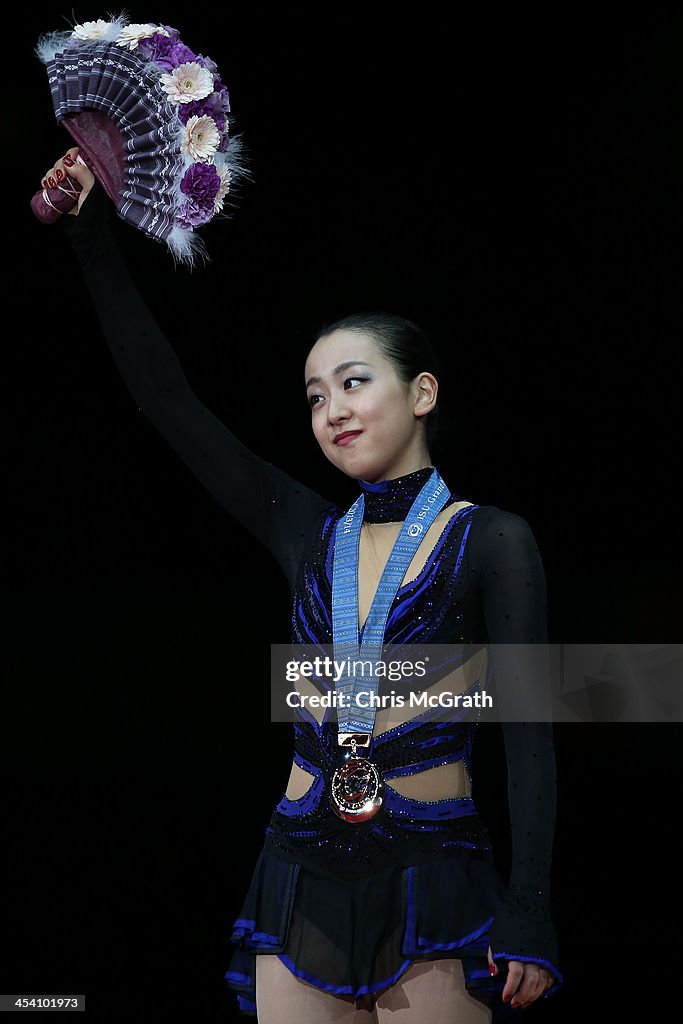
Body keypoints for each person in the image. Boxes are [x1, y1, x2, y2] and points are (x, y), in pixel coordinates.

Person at [37, 148, 563, 1022]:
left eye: (354, 384)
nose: (333, 412)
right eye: (315, 397)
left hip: (430, 875)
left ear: (421, 391)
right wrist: (94, 237)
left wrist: (531, 907)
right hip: (296, 867)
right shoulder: (306, 528)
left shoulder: (491, 540)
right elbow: (167, 400)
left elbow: (532, 739)